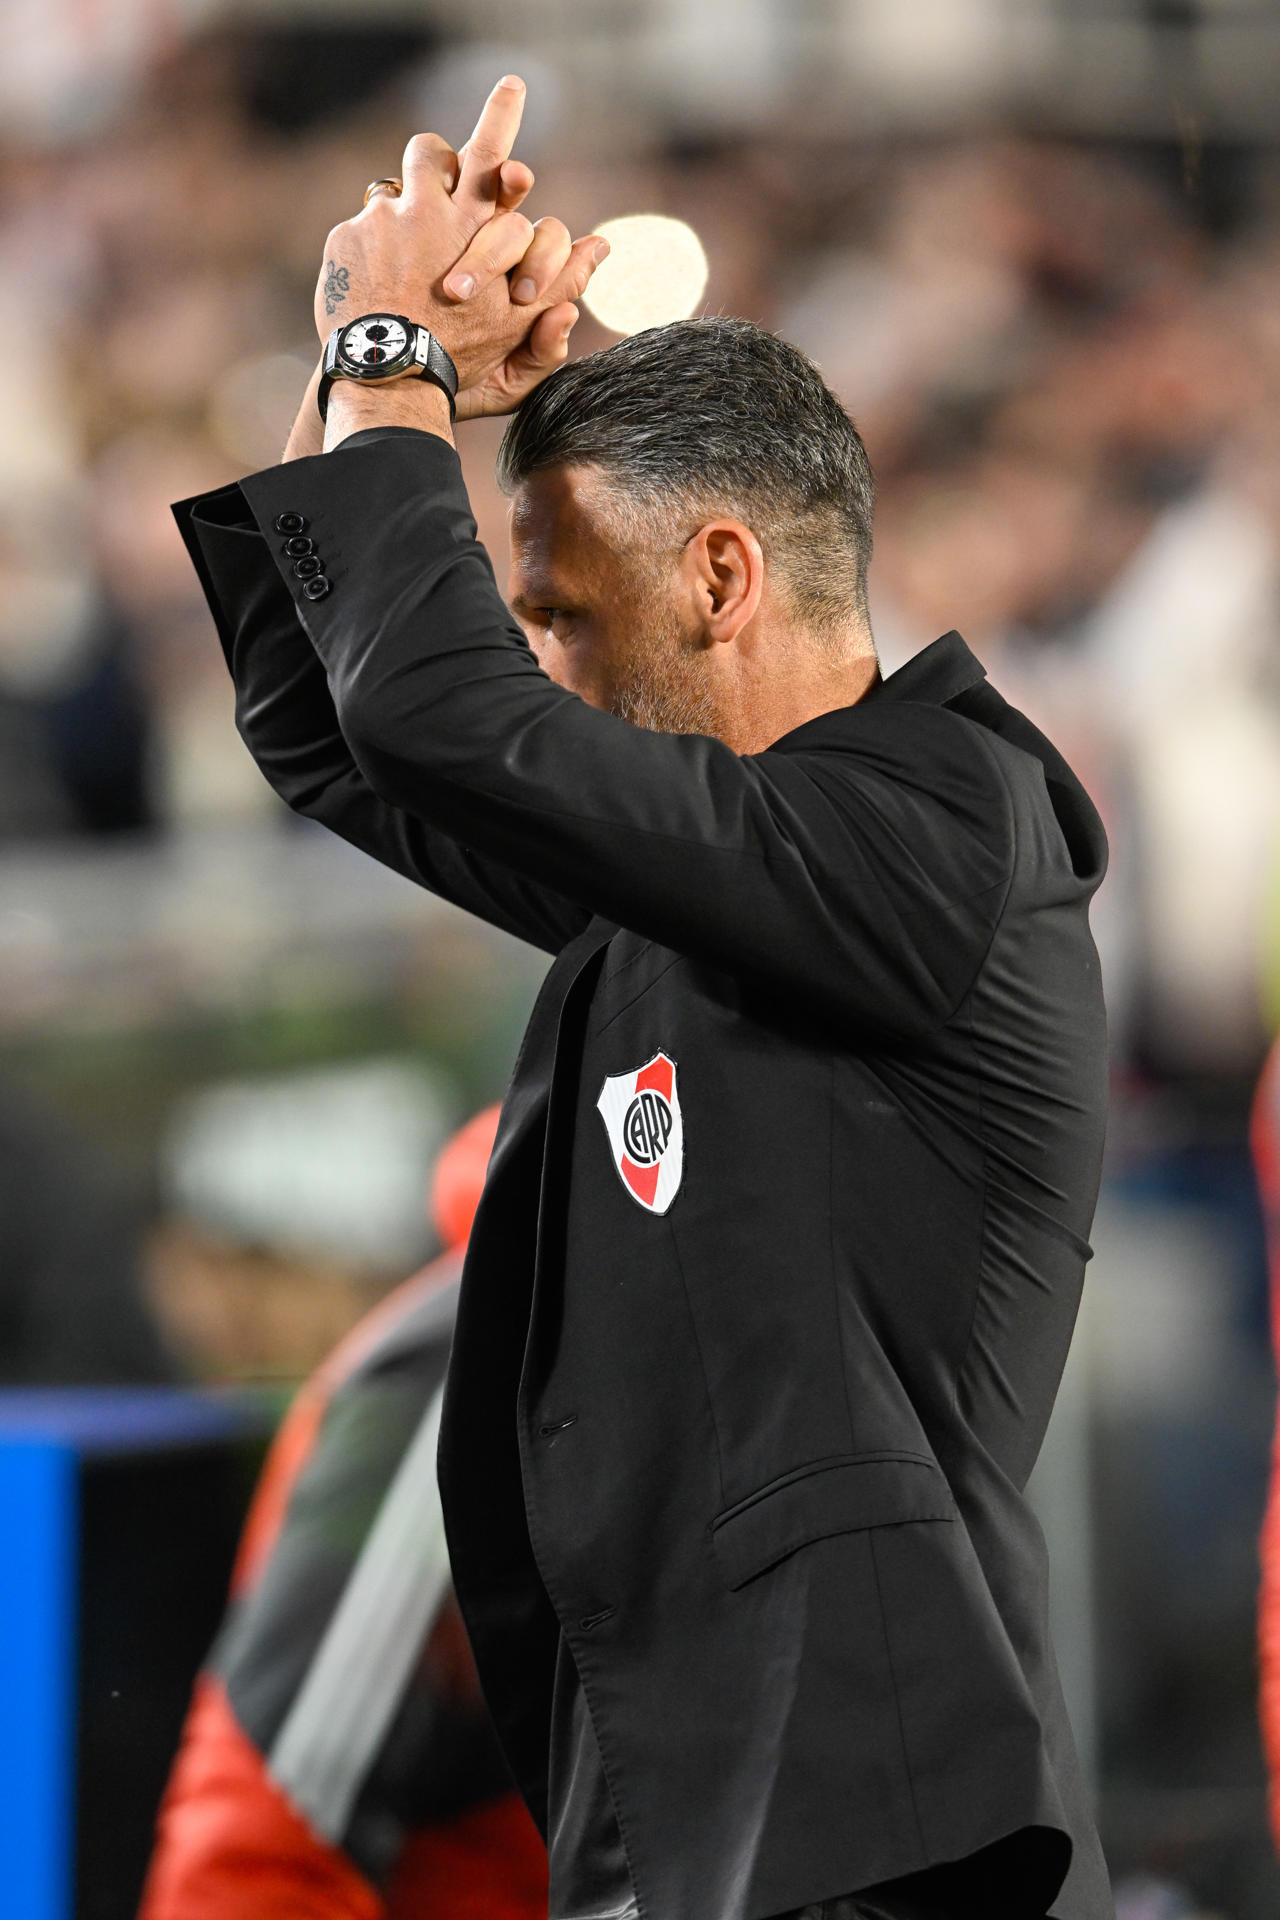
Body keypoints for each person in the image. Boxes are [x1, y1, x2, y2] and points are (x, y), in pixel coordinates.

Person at [172, 74, 1113, 1920]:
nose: (534, 663)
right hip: (694, 1821)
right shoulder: (708, 888)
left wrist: (395, 358)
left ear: (723, 573)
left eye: (563, 612)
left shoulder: (953, 819)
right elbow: (332, 727)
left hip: (880, 1839)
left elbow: (439, 712)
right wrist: (382, 373)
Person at [139, 1104, 550, 1920]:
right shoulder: (443, 1374)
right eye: (233, 1267)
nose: (227, 1311)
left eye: (264, 1270)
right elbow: (261, 1841)